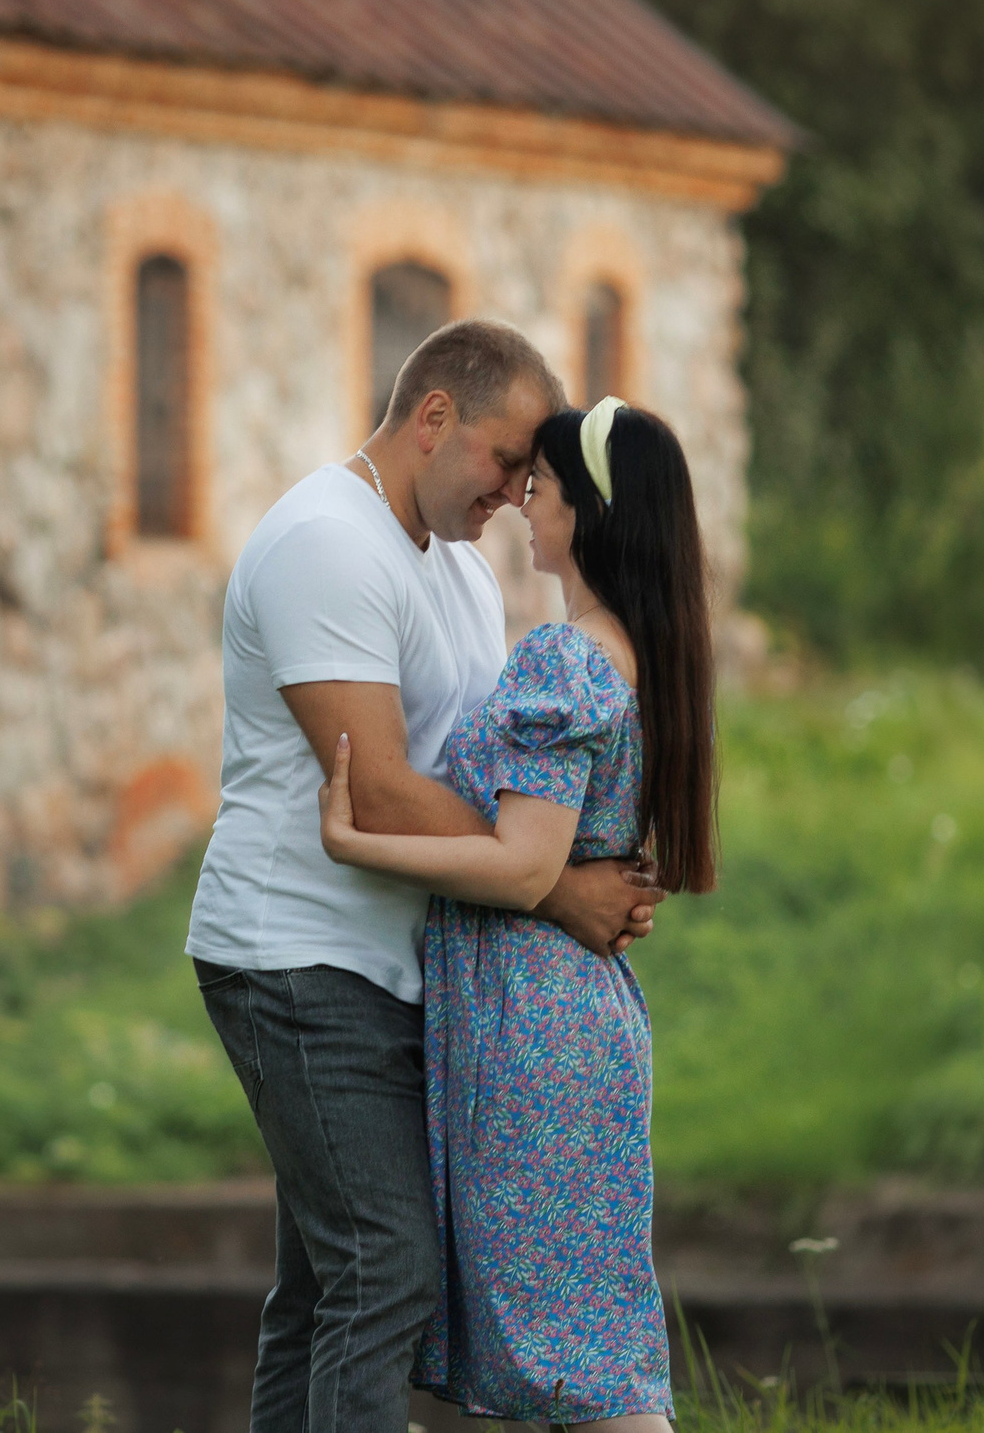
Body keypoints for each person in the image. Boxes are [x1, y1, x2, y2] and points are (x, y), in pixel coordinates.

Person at [188, 323, 666, 1433]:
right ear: (433, 418)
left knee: (324, 1284)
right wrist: (559, 887)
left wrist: (564, 845)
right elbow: (379, 787)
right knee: (385, 1264)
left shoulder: (457, 566)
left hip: (399, 963)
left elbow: (492, 778)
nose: (516, 489)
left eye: (530, 472)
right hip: (298, 955)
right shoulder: (324, 541)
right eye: (506, 458)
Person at [316, 396, 720, 1433]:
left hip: (533, 1027)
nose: (520, 505)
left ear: (584, 511)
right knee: (584, 1350)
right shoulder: (642, 654)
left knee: (579, 1365)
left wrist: (359, 842)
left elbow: (525, 861)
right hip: (574, 1017)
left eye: (538, 486)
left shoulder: (567, 660)